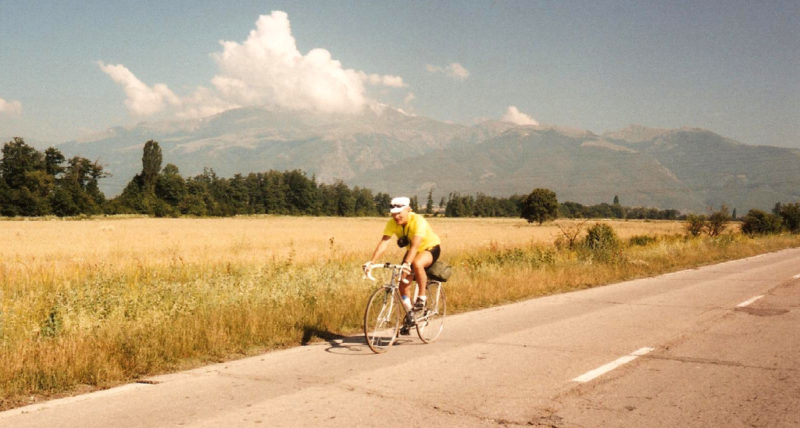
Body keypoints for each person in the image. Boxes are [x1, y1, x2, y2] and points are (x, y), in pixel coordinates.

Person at [364, 196, 442, 334]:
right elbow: (384, 242)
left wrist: (407, 263)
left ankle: (422, 298)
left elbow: (415, 246)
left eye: (399, 213)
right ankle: (410, 314)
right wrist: (372, 262)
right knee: (402, 283)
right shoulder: (392, 223)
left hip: (430, 248)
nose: (396, 216)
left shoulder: (418, 221)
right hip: (412, 251)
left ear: (408, 210)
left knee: (417, 263)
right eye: (393, 214)